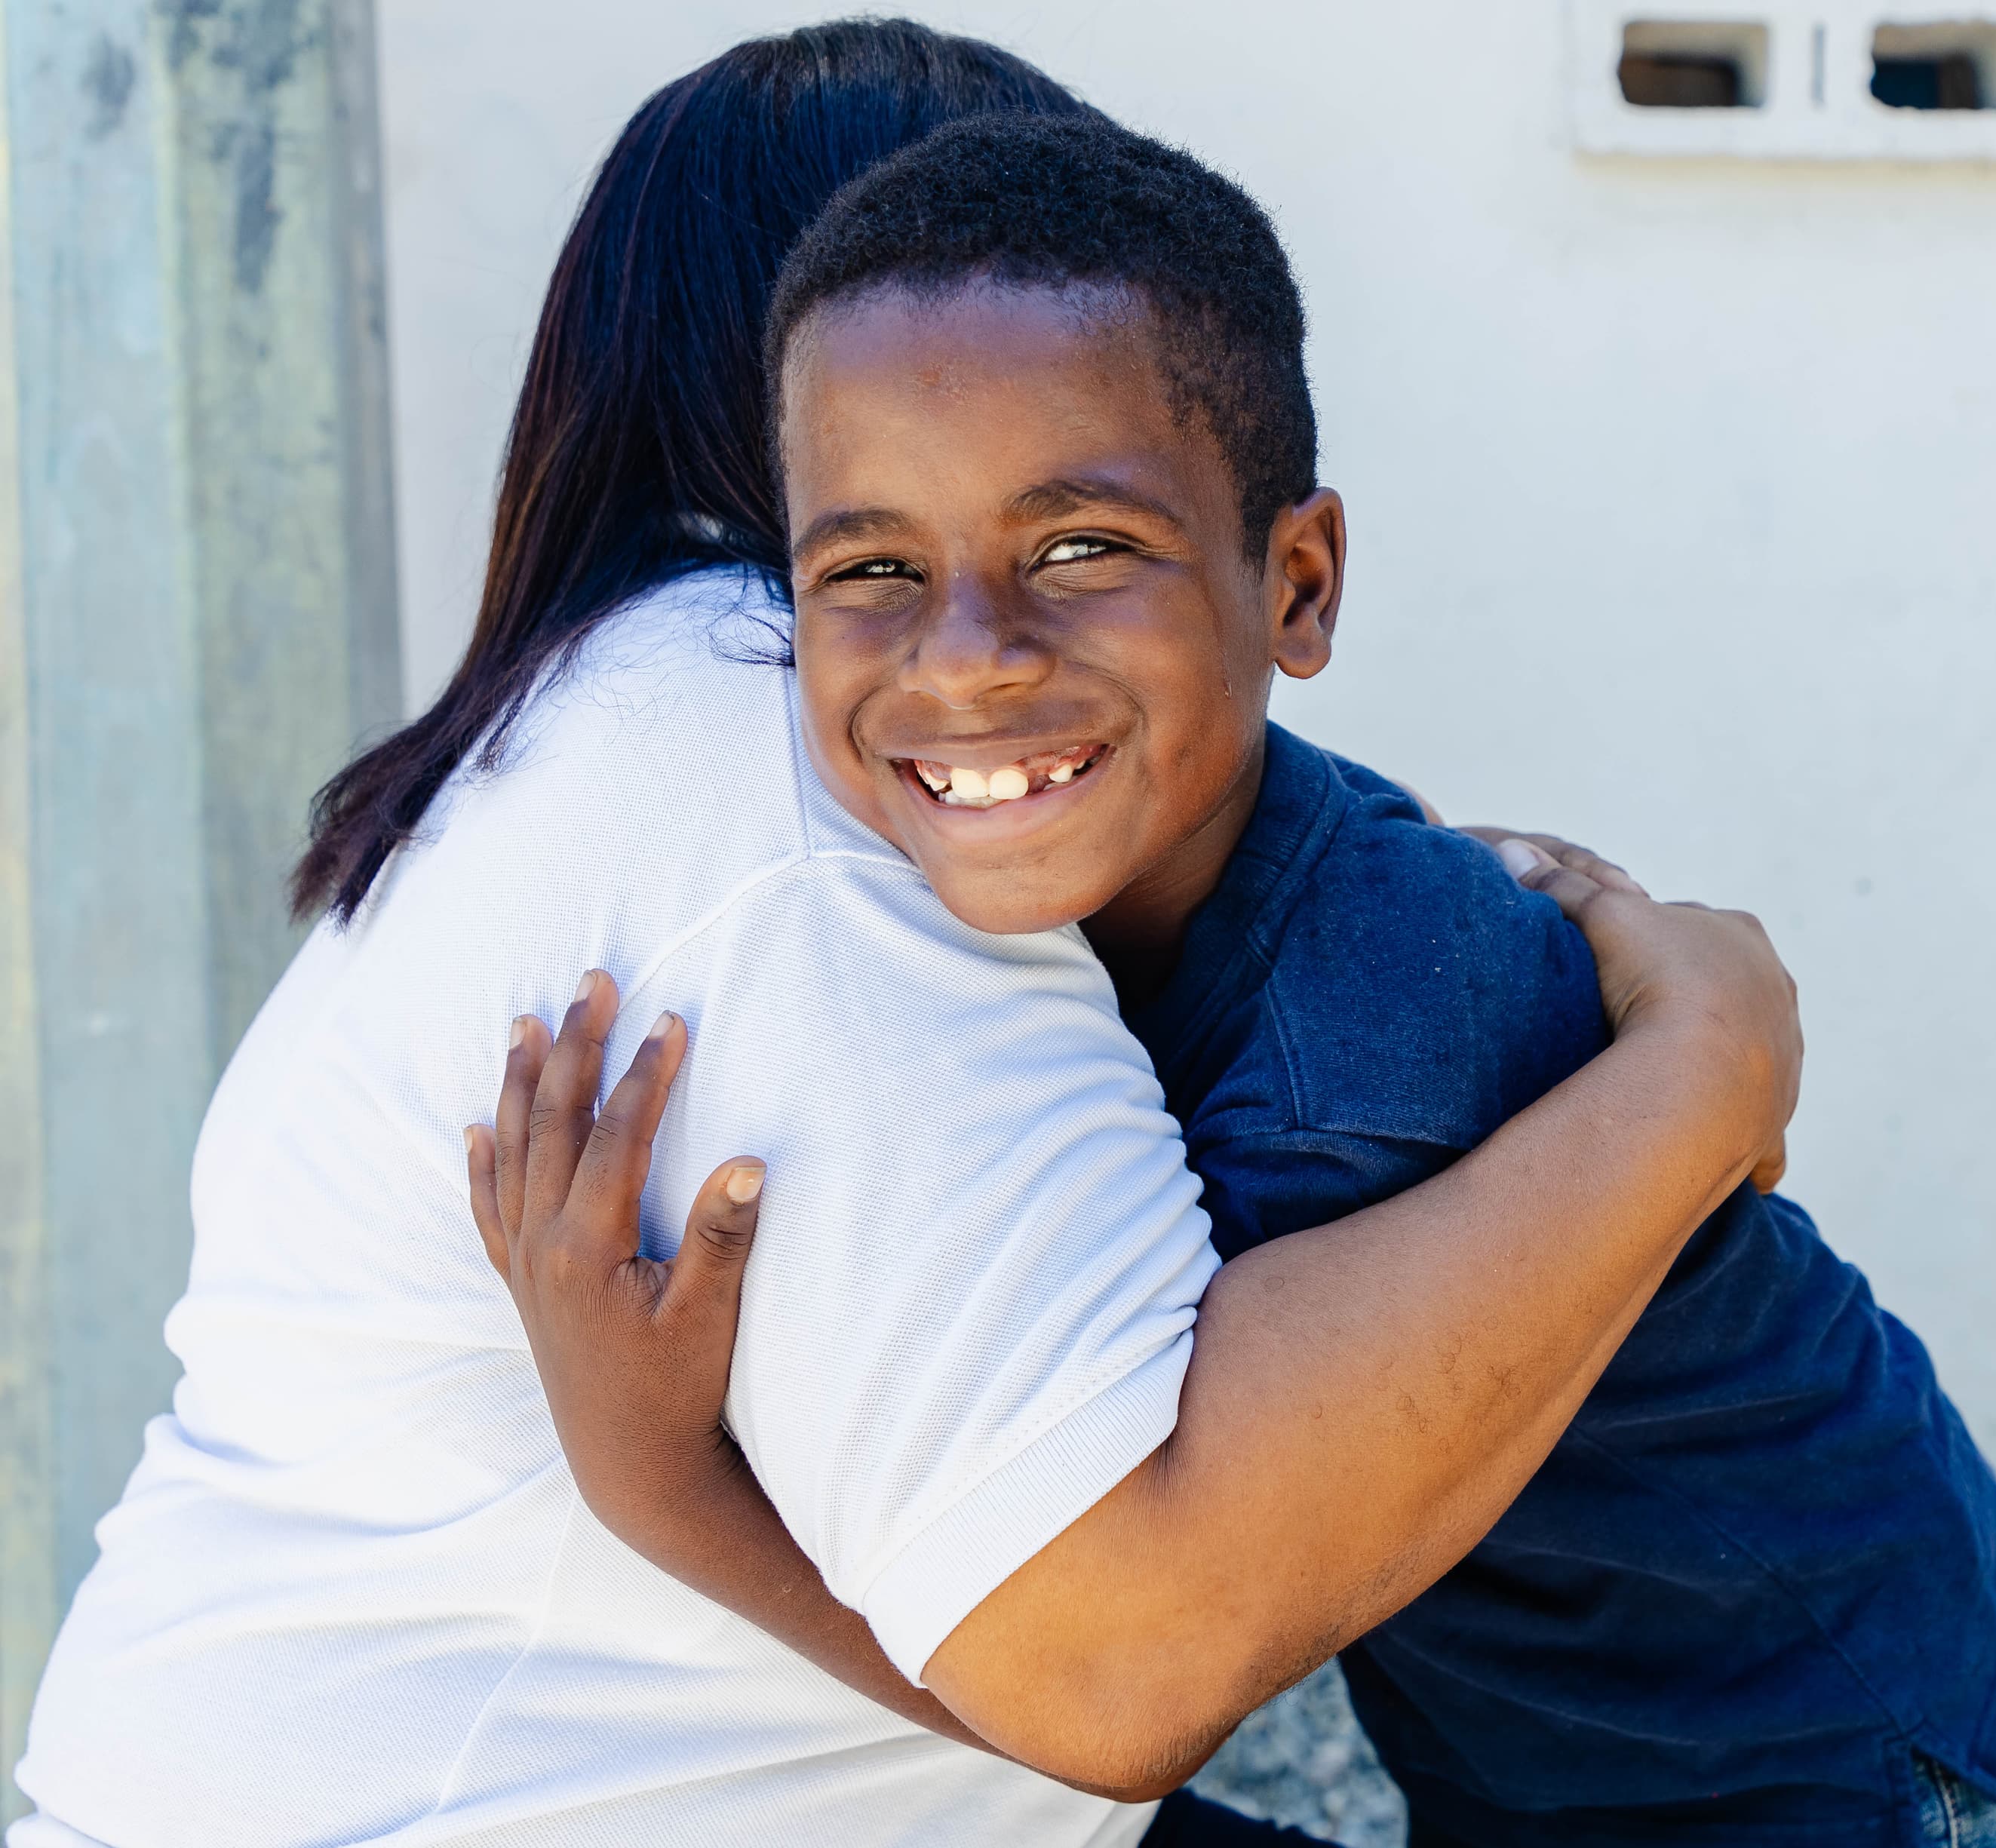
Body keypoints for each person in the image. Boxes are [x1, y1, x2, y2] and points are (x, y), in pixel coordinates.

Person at [5, 26, 1795, 1847]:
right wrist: (1704, 1070)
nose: (974, 649)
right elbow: (1126, 1663)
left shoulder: (603, 730)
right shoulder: (772, 767)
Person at [483, 112, 1996, 1847]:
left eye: (1079, 549)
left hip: (1798, 1767)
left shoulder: (1351, 1085)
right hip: (1561, 1742)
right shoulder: (1193, 889)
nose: (970, 656)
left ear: (1295, 585)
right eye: (874, 569)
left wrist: (661, 1476)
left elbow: (1095, 1672)